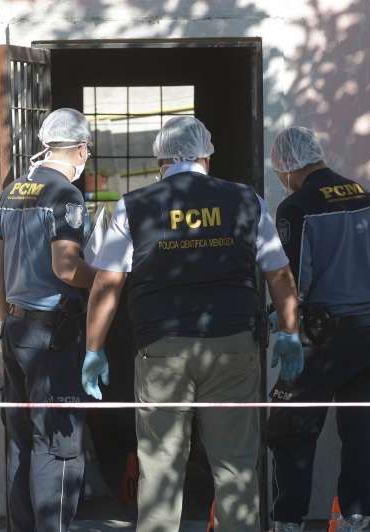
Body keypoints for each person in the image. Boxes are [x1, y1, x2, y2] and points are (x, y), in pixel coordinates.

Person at [81, 116, 302, 532]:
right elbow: (279, 274)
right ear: (207, 157)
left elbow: (107, 284)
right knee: (236, 465)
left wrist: (94, 348)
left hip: (161, 348)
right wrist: (290, 333)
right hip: (233, 345)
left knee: (160, 465)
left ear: (159, 160)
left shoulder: (133, 205)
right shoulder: (246, 200)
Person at [266, 126, 370, 532]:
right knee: (362, 437)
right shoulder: (367, 198)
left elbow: (292, 281)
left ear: (287, 165)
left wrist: (281, 323)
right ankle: (353, 521)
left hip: (321, 341)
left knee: (291, 432)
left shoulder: (296, 207)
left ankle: (289, 522)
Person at [0, 108, 97, 532]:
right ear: (81, 149)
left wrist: (6, 319)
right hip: (52, 333)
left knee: (21, 440)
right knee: (58, 441)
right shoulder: (65, 195)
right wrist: (107, 277)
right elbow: (67, 268)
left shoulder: (12, 191)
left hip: (15, 329)